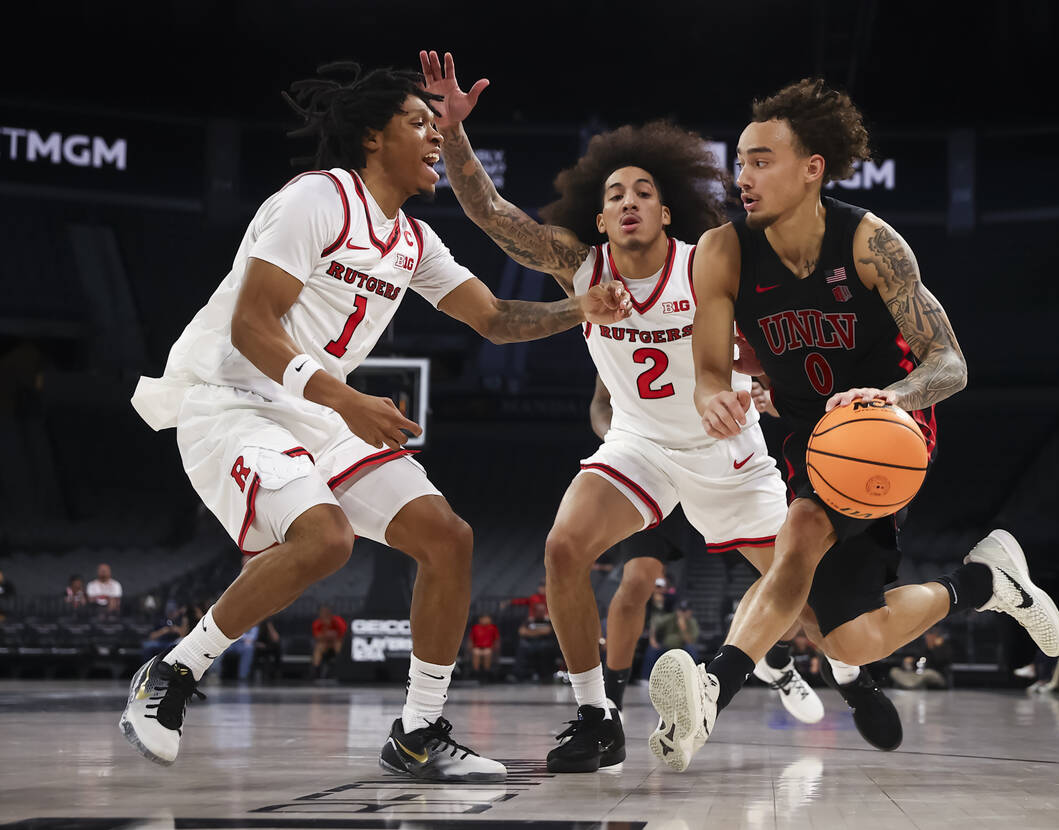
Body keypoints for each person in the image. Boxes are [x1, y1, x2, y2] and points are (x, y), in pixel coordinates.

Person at [119, 61, 632, 779]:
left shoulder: (413, 241)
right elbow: (252, 325)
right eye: (417, 124)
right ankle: (172, 673)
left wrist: (582, 309)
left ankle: (418, 733)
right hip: (234, 399)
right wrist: (347, 400)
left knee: (447, 539)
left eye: (435, 126)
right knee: (325, 539)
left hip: (319, 412)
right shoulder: (317, 199)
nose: (433, 139)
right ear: (371, 138)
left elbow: (491, 317)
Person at [422, 51, 826, 774]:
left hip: (722, 447)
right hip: (638, 443)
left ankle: (788, 660)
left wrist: (762, 387)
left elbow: (773, 346)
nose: (629, 199)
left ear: (666, 213)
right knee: (563, 549)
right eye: (615, 194)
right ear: (602, 219)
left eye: (643, 190)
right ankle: (596, 716)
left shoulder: (710, 260)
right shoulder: (581, 271)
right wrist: (453, 132)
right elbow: (487, 212)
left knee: (811, 602)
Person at [648, 79, 1059, 772]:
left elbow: (950, 361)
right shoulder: (721, 251)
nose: (742, 176)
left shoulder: (872, 243)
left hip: (883, 431)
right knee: (850, 640)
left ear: (812, 166)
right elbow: (712, 369)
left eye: (761, 160)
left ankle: (713, 690)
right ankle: (985, 585)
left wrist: (891, 397)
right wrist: (713, 397)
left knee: (802, 535)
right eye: (740, 161)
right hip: (798, 431)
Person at [889, 626, 953, 689]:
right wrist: (910, 661)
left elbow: (941, 662)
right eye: (927, 635)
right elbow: (917, 660)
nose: (928, 637)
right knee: (894, 671)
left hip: (935, 674)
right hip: (918, 674)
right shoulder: (923, 648)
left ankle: (910, 684)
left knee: (928, 673)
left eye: (931, 634)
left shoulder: (944, 648)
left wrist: (937, 648)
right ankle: (910, 683)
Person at [512, 602, 558, 681]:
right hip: (530, 644)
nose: (540, 613)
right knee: (522, 648)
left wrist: (531, 632)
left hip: (544, 645)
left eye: (542, 611)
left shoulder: (548, 621)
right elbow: (522, 631)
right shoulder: (529, 621)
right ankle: (520, 675)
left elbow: (548, 631)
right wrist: (538, 632)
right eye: (538, 611)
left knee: (545, 649)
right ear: (535, 612)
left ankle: (545, 675)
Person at [311, 604, 347, 677]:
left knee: (338, 646)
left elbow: (344, 633)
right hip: (325, 643)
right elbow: (317, 637)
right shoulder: (317, 623)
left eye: (326, 612)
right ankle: (316, 670)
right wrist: (326, 635)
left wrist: (334, 636)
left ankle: (342, 667)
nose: (325, 614)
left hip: (336, 642)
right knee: (319, 647)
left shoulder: (338, 620)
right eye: (322, 612)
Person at [469, 613, 500, 679]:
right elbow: (471, 639)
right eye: (484, 618)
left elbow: (496, 639)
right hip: (477, 647)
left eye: (487, 618)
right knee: (476, 652)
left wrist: (496, 648)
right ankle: (476, 672)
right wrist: (470, 647)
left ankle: (486, 672)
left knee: (487, 653)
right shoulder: (476, 627)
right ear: (480, 619)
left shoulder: (493, 627)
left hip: (488, 647)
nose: (485, 620)